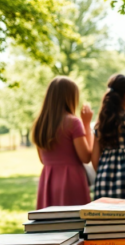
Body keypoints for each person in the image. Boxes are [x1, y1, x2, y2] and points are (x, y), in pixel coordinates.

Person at [31, 76, 93, 210]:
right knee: (74, 226)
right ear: (70, 98)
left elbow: (43, 159)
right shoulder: (73, 122)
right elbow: (86, 157)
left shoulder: (40, 124)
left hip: (48, 180)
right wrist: (87, 124)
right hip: (72, 180)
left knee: (51, 226)